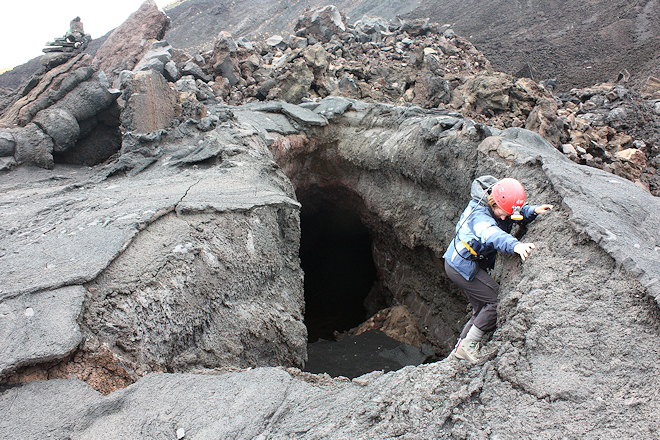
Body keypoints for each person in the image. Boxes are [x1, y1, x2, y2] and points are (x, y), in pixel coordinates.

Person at [443, 175, 553, 362]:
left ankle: (458, 353)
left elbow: (516, 213)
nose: (505, 217)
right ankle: (468, 347)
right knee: (495, 302)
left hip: (467, 262)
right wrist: (515, 245)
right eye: (502, 213)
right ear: (493, 203)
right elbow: (491, 234)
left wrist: (533, 211)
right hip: (460, 265)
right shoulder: (478, 215)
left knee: (480, 310)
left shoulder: (502, 207)